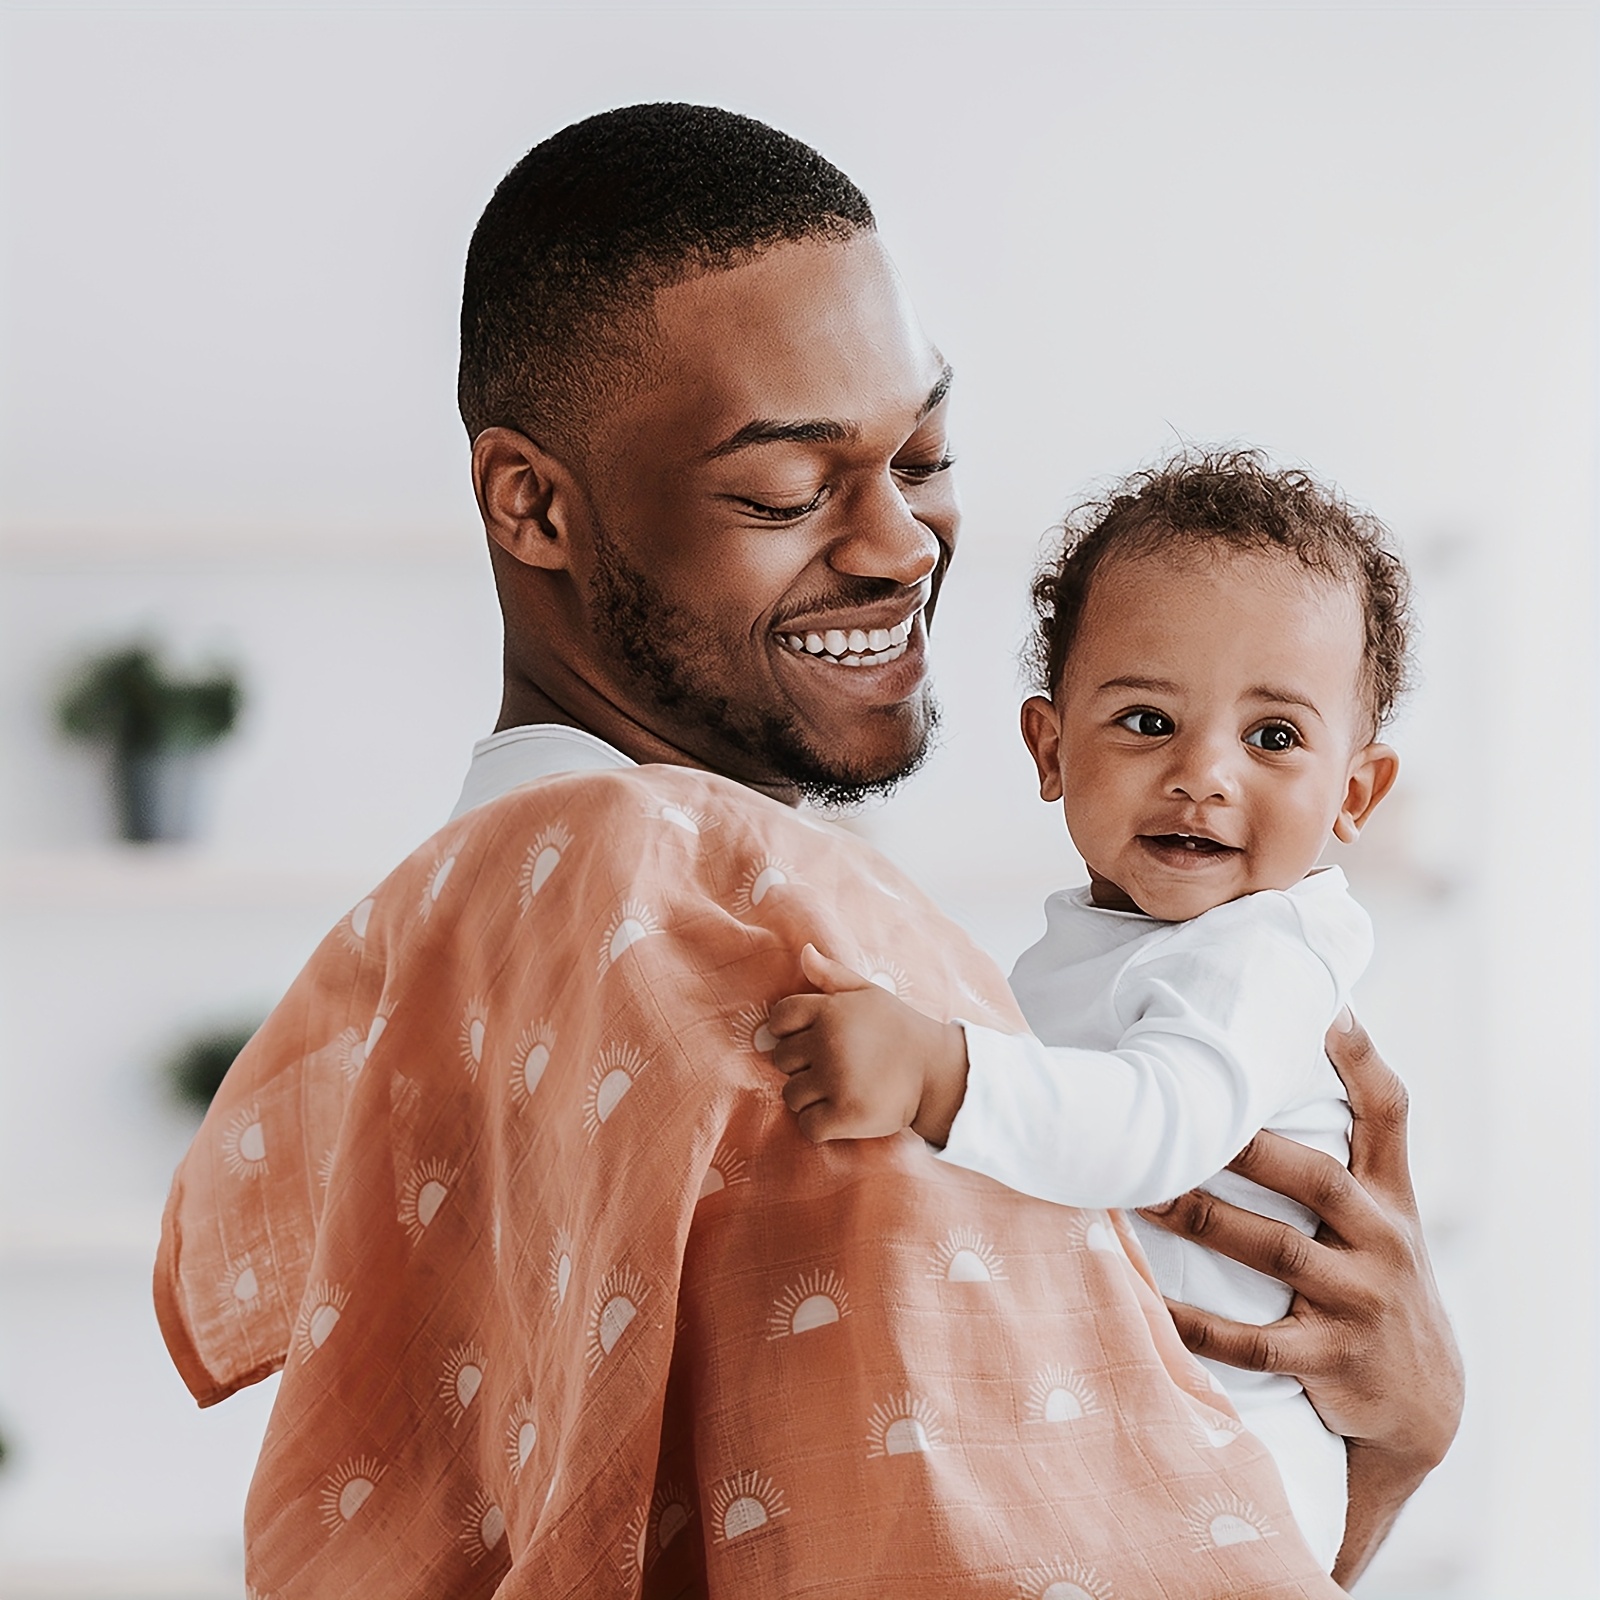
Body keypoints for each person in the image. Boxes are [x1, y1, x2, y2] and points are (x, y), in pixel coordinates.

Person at [153, 104, 1461, 1597]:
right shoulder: (674, 884)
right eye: (786, 487)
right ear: (535, 504)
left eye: (925, 452)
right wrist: (1399, 1451)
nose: (904, 543)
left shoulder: (475, 910)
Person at [768, 450, 1412, 1569]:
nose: (1203, 774)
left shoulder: (1267, 948)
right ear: (1050, 746)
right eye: (1148, 720)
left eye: (1272, 738)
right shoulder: (1083, 951)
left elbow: (1152, 1123)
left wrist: (935, 1072)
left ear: (1351, 793)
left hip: (1225, 1472)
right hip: (1105, 1441)